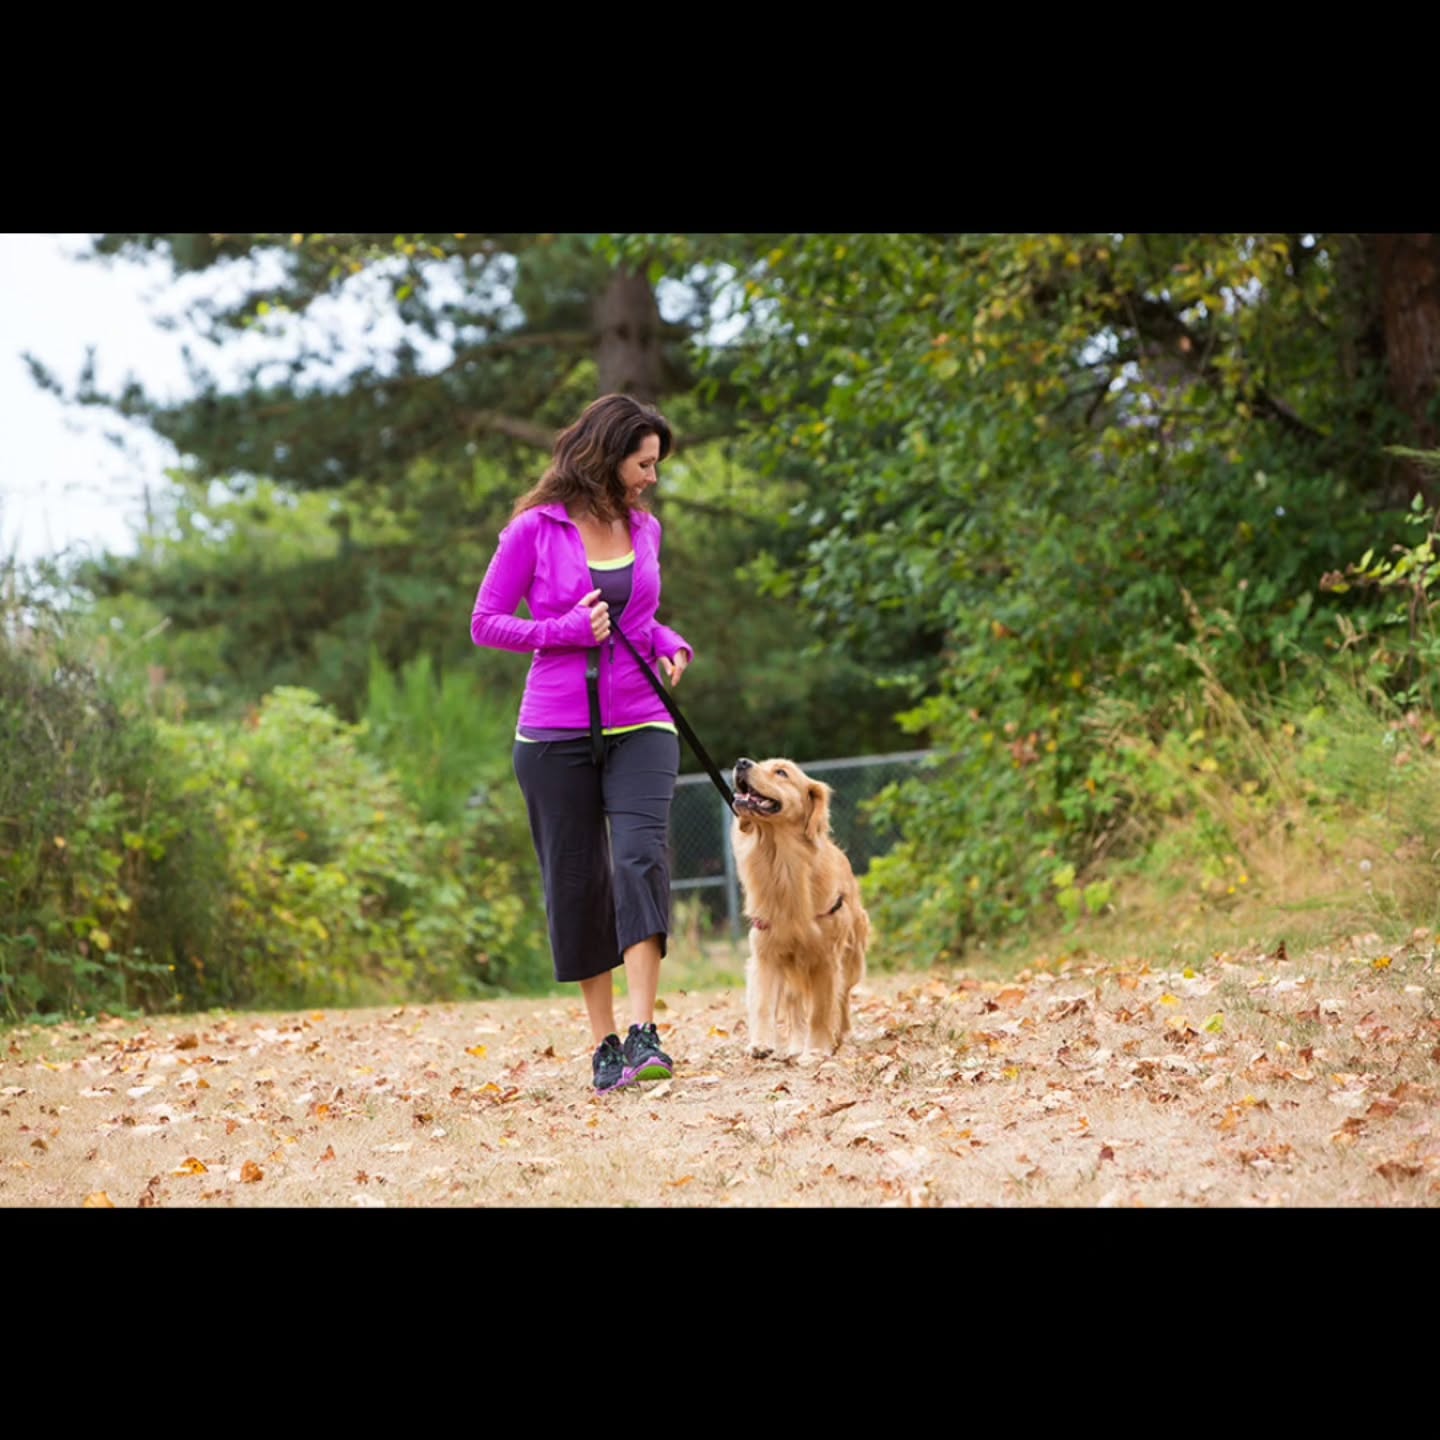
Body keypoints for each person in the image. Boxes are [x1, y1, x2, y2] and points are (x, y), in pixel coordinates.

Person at [470, 393, 693, 1094]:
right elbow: (486, 622)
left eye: (656, 463)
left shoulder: (645, 529)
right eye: (644, 461)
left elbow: (642, 617)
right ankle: (603, 1044)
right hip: (554, 732)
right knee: (578, 883)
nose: (652, 475)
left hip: (641, 721)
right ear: (608, 453)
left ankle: (643, 1029)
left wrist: (672, 644)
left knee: (638, 859)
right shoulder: (534, 530)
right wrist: (559, 630)